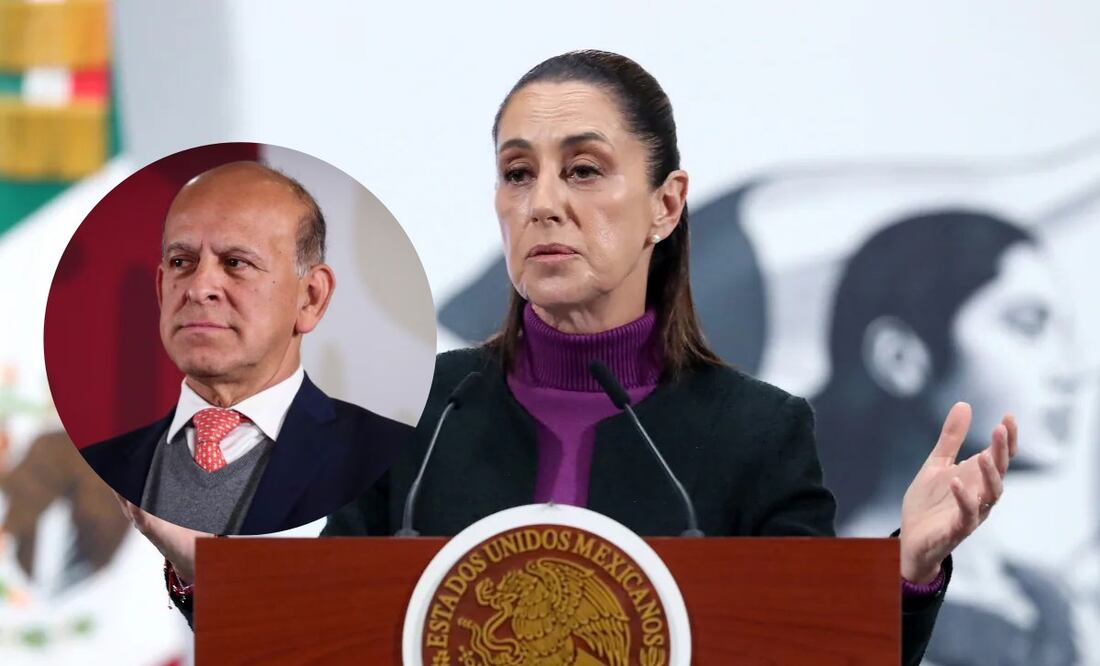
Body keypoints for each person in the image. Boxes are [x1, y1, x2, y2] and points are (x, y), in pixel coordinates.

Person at [137, 53, 1016, 665]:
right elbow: (318, 638)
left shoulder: (758, 431)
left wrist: (908, 568)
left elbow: (813, 647)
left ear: (666, 205)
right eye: (518, 174)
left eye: (585, 171)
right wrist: (209, 580)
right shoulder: (414, 413)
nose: (544, 203)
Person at [82, 161, 412, 536]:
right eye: (181, 262)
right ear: (160, 289)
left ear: (311, 297)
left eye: (236, 263)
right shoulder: (101, 465)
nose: (198, 287)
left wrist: (201, 570)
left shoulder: (388, 459)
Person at [812, 210, 1080, 664]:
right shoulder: (819, 595)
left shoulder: (1048, 598)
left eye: (1064, 333)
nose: (1071, 371)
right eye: (1028, 325)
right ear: (901, 357)